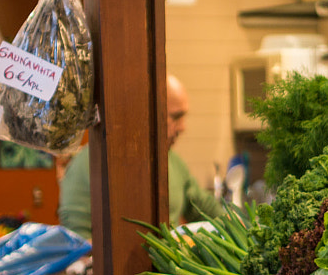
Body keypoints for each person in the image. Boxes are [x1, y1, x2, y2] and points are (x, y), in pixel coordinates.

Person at [58, 75, 223, 238]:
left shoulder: (172, 161)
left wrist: (235, 224)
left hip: (172, 263)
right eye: (176, 117)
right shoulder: (87, 164)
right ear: (148, 111)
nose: (183, 127)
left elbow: (207, 211)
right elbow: (77, 238)